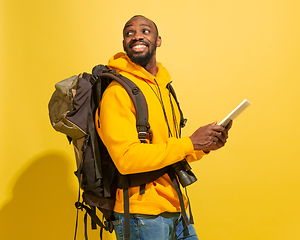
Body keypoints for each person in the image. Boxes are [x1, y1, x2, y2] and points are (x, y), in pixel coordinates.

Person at [95, 15, 232, 240]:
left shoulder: (164, 90)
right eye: (129, 33)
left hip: (177, 209)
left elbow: (168, 151)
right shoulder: (117, 92)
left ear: (158, 40)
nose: (137, 35)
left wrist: (205, 146)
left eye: (145, 31)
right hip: (142, 215)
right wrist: (190, 142)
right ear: (124, 44)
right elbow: (126, 159)